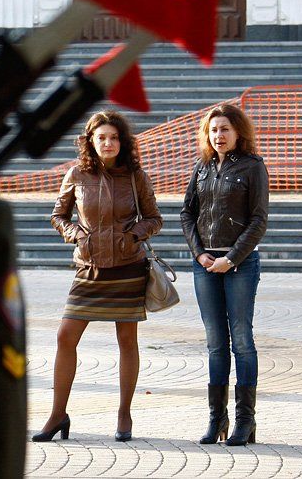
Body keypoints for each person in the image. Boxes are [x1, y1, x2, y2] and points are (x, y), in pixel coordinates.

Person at [34, 110, 162, 443]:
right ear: (91, 140)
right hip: (89, 268)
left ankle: (124, 414)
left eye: (114, 137)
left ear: (123, 141)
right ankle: (57, 414)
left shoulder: (136, 176)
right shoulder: (76, 174)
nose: (108, 143)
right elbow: (58, 215)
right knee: (65, 336)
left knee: (127, 341)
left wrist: (134, 235)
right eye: (101, 137)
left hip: (128, 266)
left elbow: (154, 218)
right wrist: (75, 233)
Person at [180, 104, 268, 447]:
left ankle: (245, 421)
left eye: (225, 129)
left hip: (240, 263)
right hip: (205, 265)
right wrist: (200, 253)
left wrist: (231, 259)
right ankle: (217, 418)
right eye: (213, 130)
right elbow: (187, 213)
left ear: (238, 132)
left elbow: (259, 220)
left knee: (242, 339)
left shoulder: (253, 166)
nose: (219, 135)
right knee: (216, 344)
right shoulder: (202, 167)